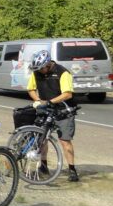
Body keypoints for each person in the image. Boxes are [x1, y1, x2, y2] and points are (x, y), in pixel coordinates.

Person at [27, 50, 79, 182]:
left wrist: (50, 102)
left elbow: (68, 94)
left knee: (64, 141)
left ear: (48, 64)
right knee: (42, 138)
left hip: (64, 110)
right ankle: (43, 166)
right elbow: (31, 89)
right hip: (46, 109)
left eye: (41, 68)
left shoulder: (63, 73)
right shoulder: (36, 72)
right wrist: (38, 101)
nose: (39, 71)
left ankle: (72, 169)